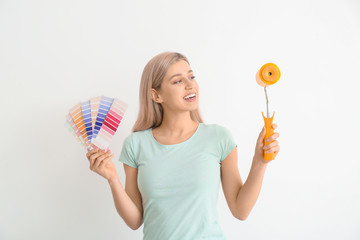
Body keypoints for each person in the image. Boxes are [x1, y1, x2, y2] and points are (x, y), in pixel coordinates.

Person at [86, 52, 280, 240]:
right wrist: (112, 179)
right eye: (178, 81)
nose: (190, 85)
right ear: (156, 95)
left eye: (191, 76)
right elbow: (135, 220)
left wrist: (260, 162)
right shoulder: (136, 144)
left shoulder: (218, 137)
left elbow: (241, 210)